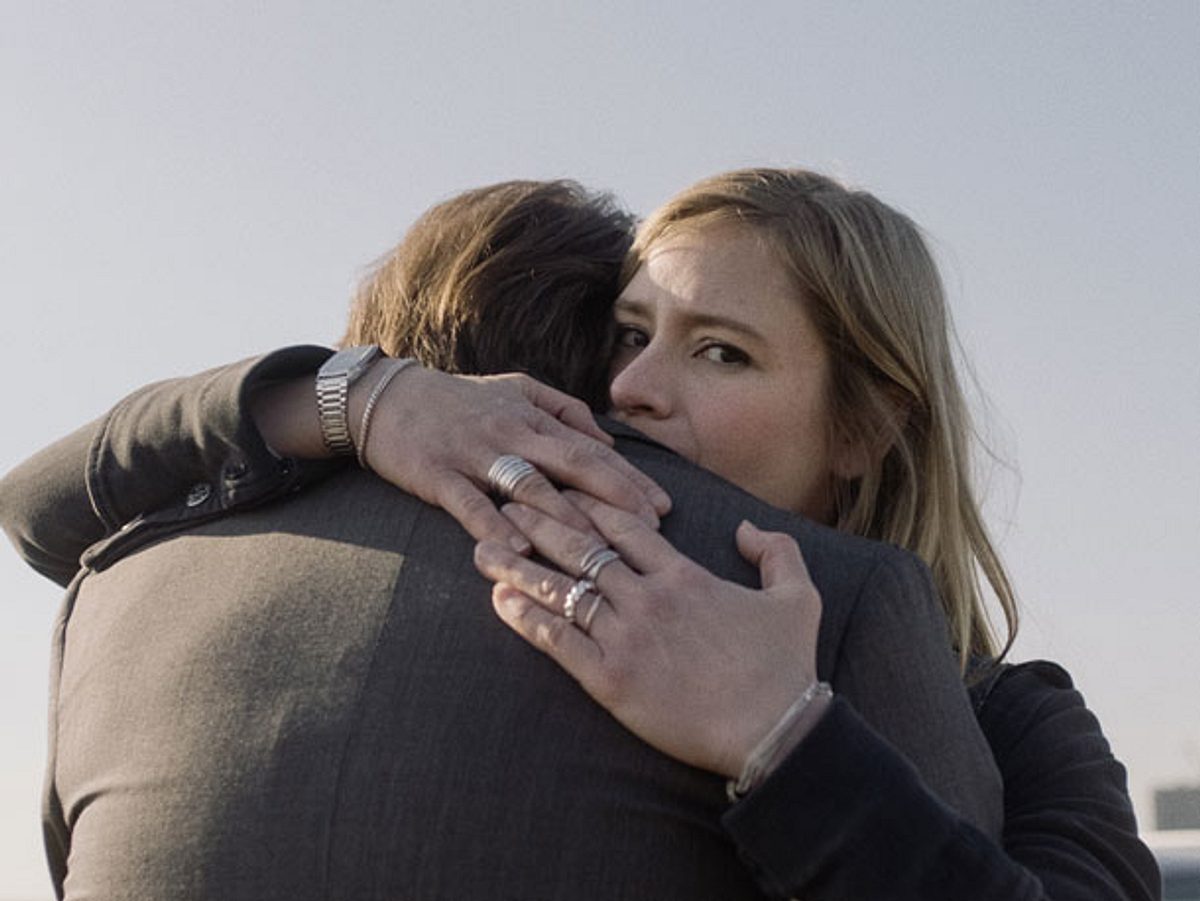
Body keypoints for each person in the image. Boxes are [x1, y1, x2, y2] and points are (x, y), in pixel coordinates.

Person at [0, 178, 1003, 900]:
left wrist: (344, 393)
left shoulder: (119, 578)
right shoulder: (849, 602)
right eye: (628, 332)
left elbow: (34, 506)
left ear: (870, 423)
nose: (633, 389)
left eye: (721, 351)